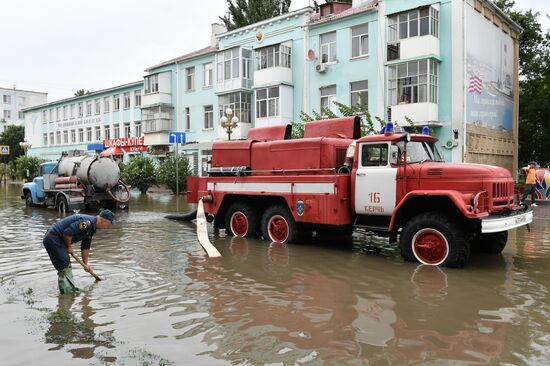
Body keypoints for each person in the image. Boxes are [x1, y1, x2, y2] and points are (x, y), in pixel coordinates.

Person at [43, 209, 115, 293]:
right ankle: (67, 294)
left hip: (58, 240)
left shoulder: (92, 227)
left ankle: (67, 292)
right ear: (104, 221)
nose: (108, 227)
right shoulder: (87, 223)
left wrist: (86, 264)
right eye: (109, 224)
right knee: (64, 265)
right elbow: (67, 233)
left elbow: (85, 247)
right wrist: (69, 246)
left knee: (65, 264)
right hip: (53, 238)